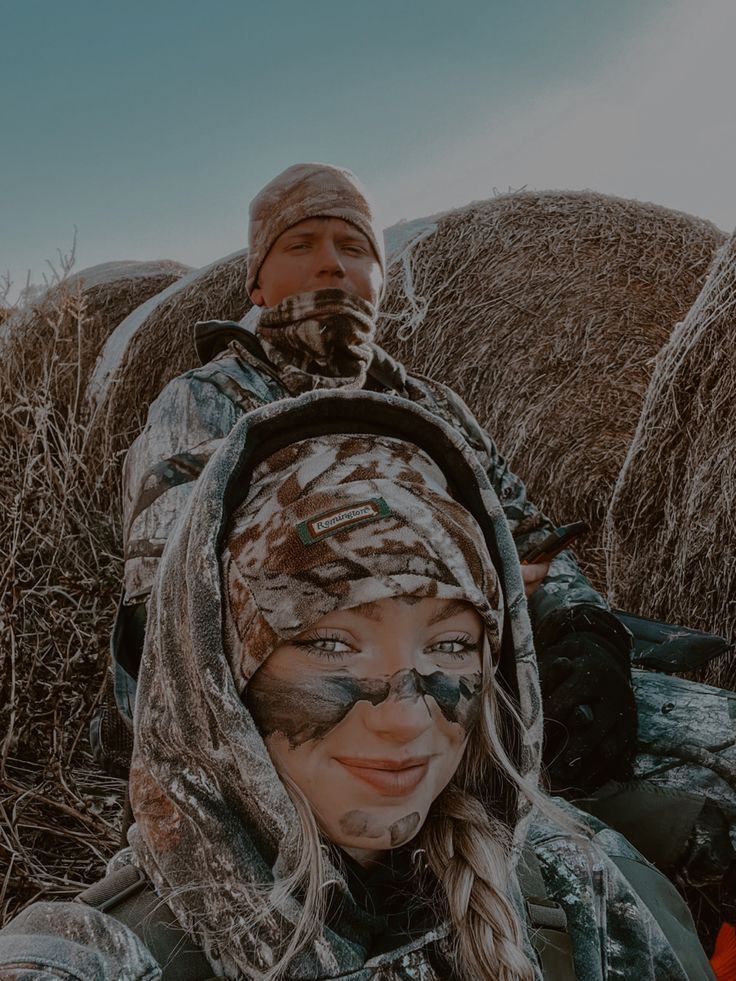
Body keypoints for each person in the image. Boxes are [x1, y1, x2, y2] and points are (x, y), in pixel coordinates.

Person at [0, 390, 713, 979]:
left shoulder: (582, 889)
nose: (405, 718)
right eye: (332, 642)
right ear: (221, 676)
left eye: (452, 642)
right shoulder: (107, 959)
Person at [110, 161, 636, 796]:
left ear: (380, 279)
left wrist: (584, 631)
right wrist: (480, 578)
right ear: (256, 283)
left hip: (466, 675)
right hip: (278, 711)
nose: (330, 263)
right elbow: (168, 600)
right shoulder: (203, 401)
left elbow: (534, 544)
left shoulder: (435, 409)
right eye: (300, 244)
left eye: (354, 246)